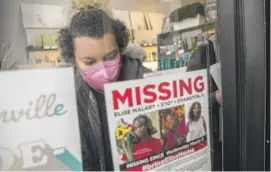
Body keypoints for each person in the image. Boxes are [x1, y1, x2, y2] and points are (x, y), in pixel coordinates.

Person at [57, 6, 149, 171]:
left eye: (110, 56)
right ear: (73, 60)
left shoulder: (145, 79)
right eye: (90, 62)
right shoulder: (68, 99)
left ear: (120, 48)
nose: (104, 71)